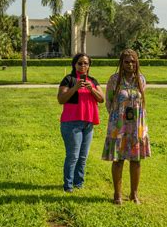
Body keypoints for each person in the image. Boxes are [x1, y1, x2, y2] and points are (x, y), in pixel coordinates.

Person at [102, 49, 151, 205]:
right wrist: (118, 117)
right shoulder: (114, 79)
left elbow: (142, 102)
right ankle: (117, 194)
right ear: (121, 63)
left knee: (136, 160)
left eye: (133, 61)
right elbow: (108, 102)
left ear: (137, 62)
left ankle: (133, 194)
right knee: (118, 160)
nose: (130, 64)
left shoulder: (141, 79)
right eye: (127, 61)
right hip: (119, 126)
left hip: (137, 126)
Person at [57, 53, 104, 193]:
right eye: (80, 63)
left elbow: (101, 99)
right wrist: (76, 88)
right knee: (73, 156)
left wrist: (91, 89)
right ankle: (68, 186)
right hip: (71, 123)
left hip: (88, 124)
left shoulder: (93, 81)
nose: (83, 66)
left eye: (86, 63)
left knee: (83, 157)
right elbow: (61, 99)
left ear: (89, 65)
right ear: (74, 64)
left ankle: (79, 183)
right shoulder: (69, 79)